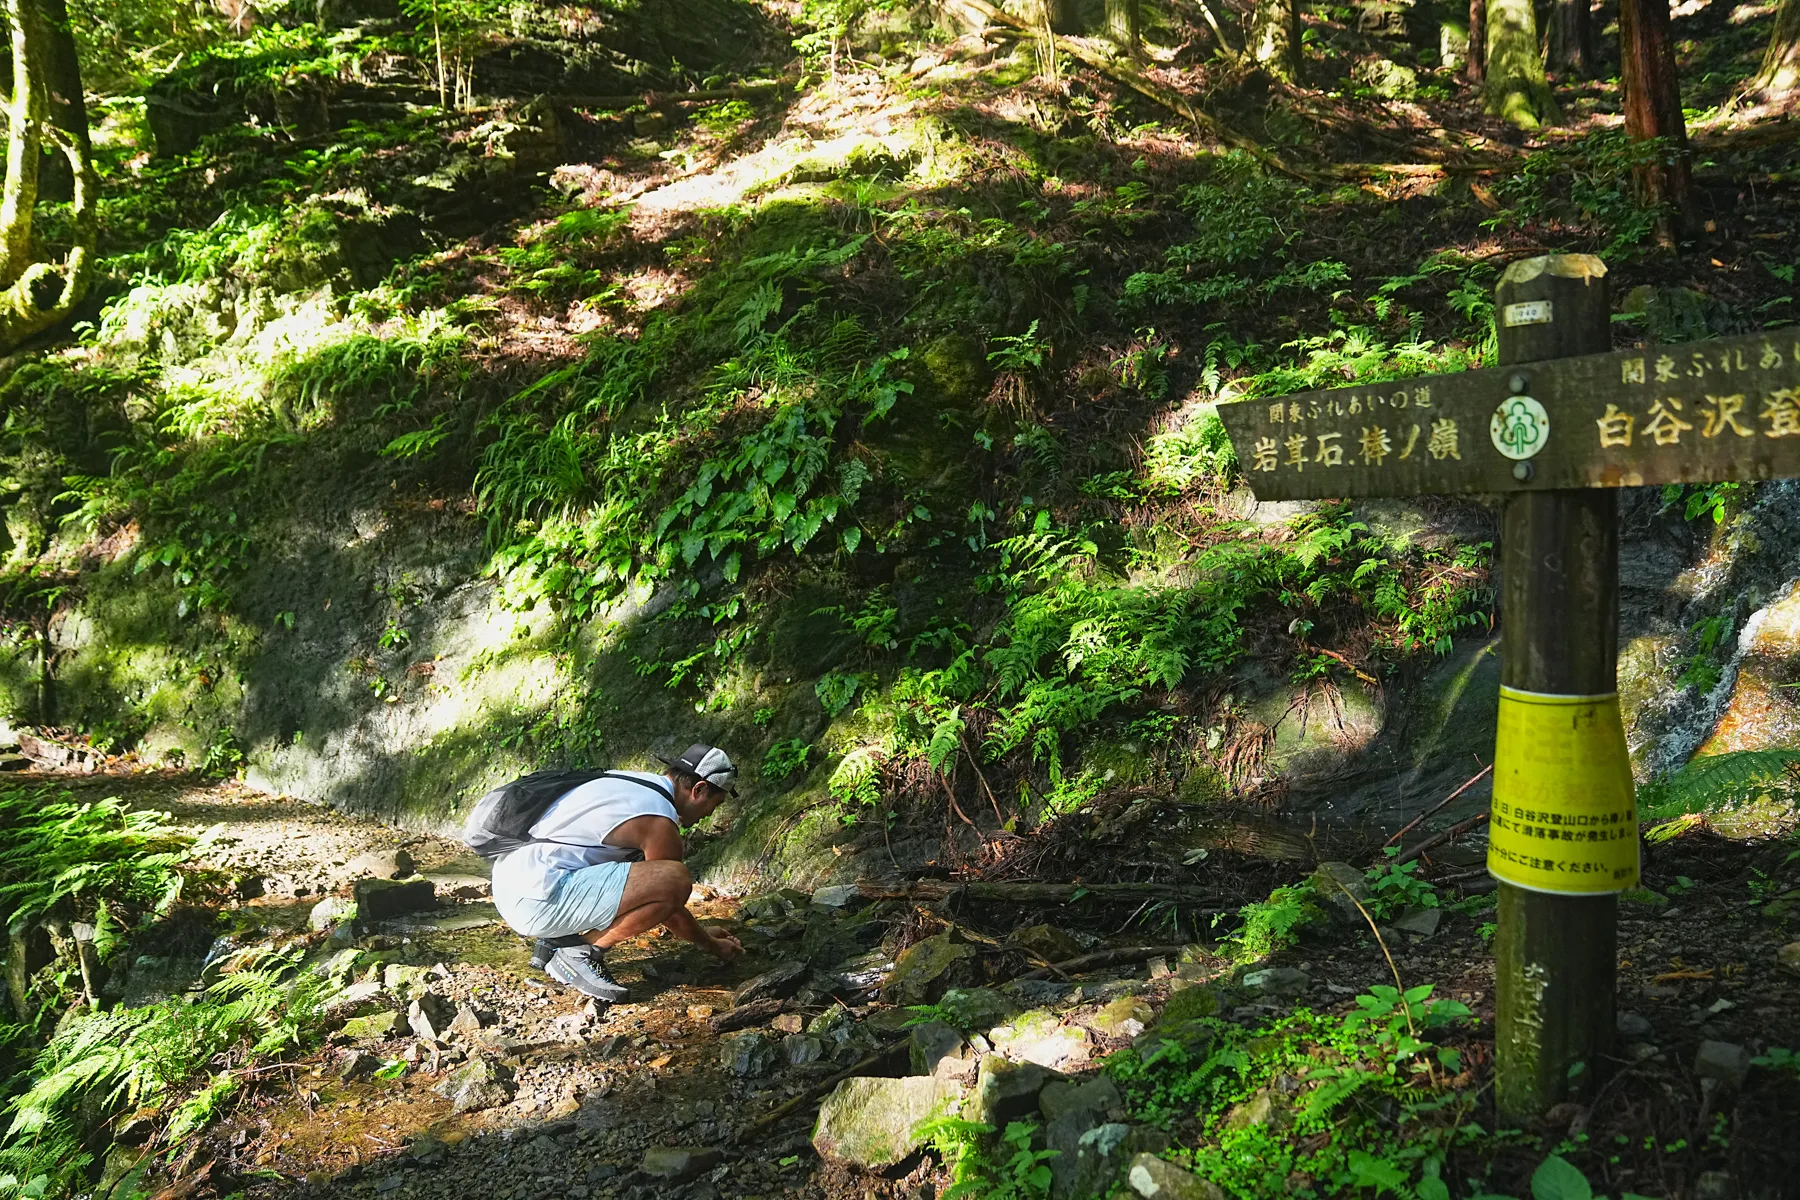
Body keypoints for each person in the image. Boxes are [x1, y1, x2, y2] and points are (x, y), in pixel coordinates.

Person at [488, 744, 745, 1001]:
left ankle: (557, 940)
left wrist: (701, 933)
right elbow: (670, 903)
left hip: (512, 884)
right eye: (716, 803)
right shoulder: (658, 819)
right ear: (699, 790)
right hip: (535, 901)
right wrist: (710, 944)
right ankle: (581, 952)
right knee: (674, 879)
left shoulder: (632, 782)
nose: (711, 813)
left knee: (639, 873)